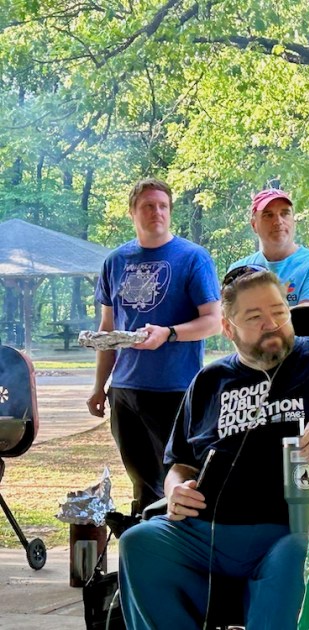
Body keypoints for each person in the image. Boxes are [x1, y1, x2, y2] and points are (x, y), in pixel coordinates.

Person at [118, 266, 309, 630]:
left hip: (294, 528)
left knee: (300, 552)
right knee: (139, 542)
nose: (272, 324)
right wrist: (175, 490)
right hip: (208, 530)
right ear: (228, 328)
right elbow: (180, 463)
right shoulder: (209, 381)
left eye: (279, 312)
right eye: (255, 317)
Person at [87, 178, 221, 513]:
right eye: (148, 206)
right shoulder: (116, 261)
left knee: (179, 477)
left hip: (175, 389)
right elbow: (108, 330)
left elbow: (213, 321)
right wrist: (99, 387)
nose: (156, 212)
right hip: (125, 391)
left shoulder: (192, 258)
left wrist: (169, 333)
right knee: (141, 481)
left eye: (163, 206)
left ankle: (179, 536)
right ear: (132, 212)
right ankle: (143, 533)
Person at [229, 188, 309, 307]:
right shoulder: (239, 271)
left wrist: (255, 313)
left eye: (285, 213)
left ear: (293, 220)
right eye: (268, 215)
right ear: (254, 225)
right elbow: (229, 316)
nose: (278, 221)